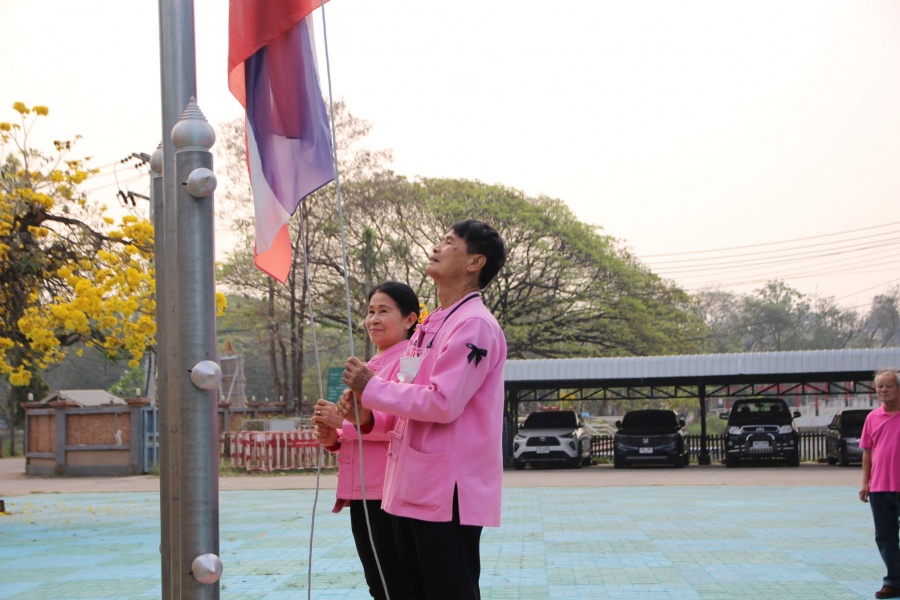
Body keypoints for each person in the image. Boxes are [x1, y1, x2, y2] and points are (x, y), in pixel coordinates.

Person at [341, 219, 507, 600]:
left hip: (447, 492)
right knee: (411, 591)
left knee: (449, 590)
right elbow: (407, 394)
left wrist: (372, 387)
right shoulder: (432, 324)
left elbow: (442, 402)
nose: (436, 247)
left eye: (449, 242)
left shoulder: (474, 325)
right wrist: (364, 410)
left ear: (474, 262)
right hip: (412, 486)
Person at [311, 281, 422, 600]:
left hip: (385, 488)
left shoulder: (409, 363)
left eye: (383, 311)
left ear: (410, 319)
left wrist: (345, 425)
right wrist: (334, 436)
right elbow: (360, 427)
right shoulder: (371, 366)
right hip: (366, 488)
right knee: (382, 581)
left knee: (394, 583)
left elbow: (405, 423)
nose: (373, 319)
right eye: (370, 311)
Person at [860, 369, 900, 600]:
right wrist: (865, 482)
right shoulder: (872, 417)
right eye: (879, 386)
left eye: (888, 386)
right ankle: (893, 582)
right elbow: (867, 452)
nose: (883, 390)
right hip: (880, 488)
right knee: (885, 536)